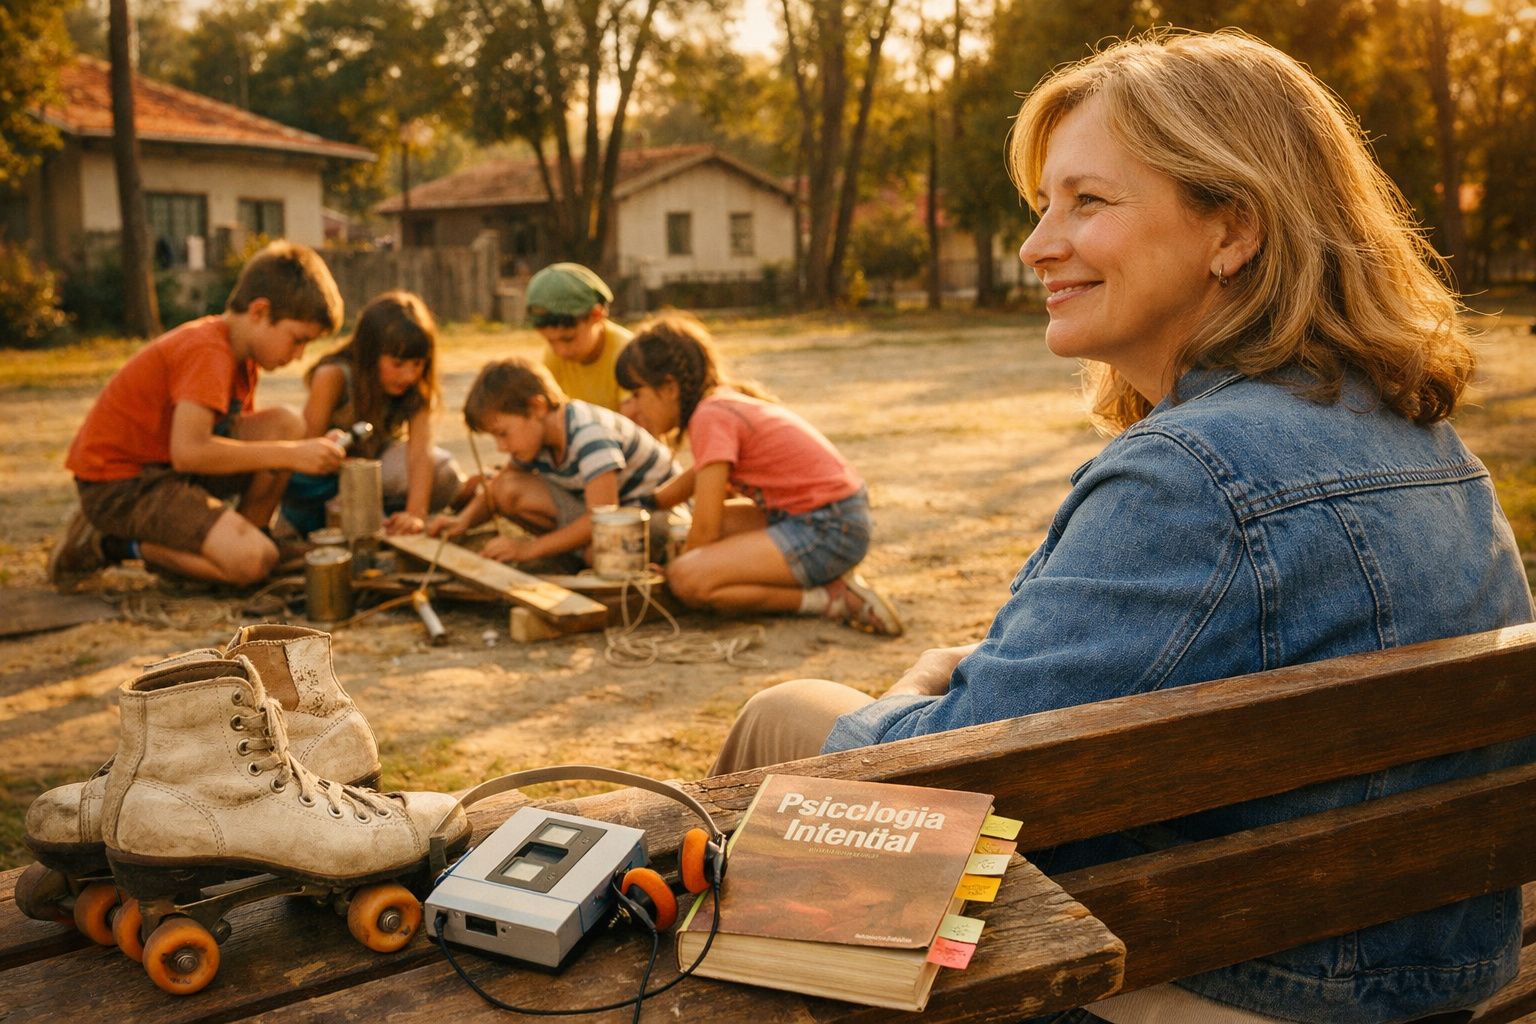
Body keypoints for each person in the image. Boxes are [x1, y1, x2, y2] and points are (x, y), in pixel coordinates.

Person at [709, 29, 1534, 1024]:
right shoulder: (1424, 437)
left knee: (787, 716)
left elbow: (950, 776)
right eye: (1043, 205)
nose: (1035, 243)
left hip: (1245, 989)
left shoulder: (1191, 474)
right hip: (1428, 982)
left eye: (1087, 201)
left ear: (1233, 229)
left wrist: (915, 686)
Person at [49, 240, 347, 589]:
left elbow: (236, 449)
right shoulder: (207, 351)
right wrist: (291, 455)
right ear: (259, 312)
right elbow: (190, 453)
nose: (299, 355)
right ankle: (108, 542)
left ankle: (254, 533)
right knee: (254, 563)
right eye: (297, 340)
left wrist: (303, 449)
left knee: (287, 425)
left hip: (165, 472)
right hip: (122, 486)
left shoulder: (242, 357)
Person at [614, 312, 903, 636]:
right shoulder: (721, 403)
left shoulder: (710, 416)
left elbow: (705, 529)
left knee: (686, 578)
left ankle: (829, 599)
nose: (631, 408)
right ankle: (823, 579)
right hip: (832, 516)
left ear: (668, 387)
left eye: (637, 394)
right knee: (695, 539)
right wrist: (650, 501)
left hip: (830, 528)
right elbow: (696, 477)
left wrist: (672, 571)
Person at [426, 357, 679, 567]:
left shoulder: (589, 435)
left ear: (536, 407)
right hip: (613, 515)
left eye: (503, 434)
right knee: (506, 488)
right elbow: (502, 483)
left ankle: (592, 556)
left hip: (659, 517)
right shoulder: (540, 435)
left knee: (602, 555)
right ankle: (571, 552)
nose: (501, 447)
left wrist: (528, 550)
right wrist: (464, 521)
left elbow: (603, 516)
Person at [280, 290, 465, 537]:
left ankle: (390, 516)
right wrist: (344, 465)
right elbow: (305, 451)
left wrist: (415, 514)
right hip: (328, 480)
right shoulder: (333, 376)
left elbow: (421, 452)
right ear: (370, 354)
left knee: (444, 473)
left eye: (417, 364)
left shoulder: (416, 388)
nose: (409, 375)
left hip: (377, 471)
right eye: (397, 364)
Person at [525, 262, 634, 413]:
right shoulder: (554, 357)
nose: (560, 351)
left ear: (596, 314)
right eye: (550, 341)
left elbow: (635, 425)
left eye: (568, 339)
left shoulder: (628, 356)